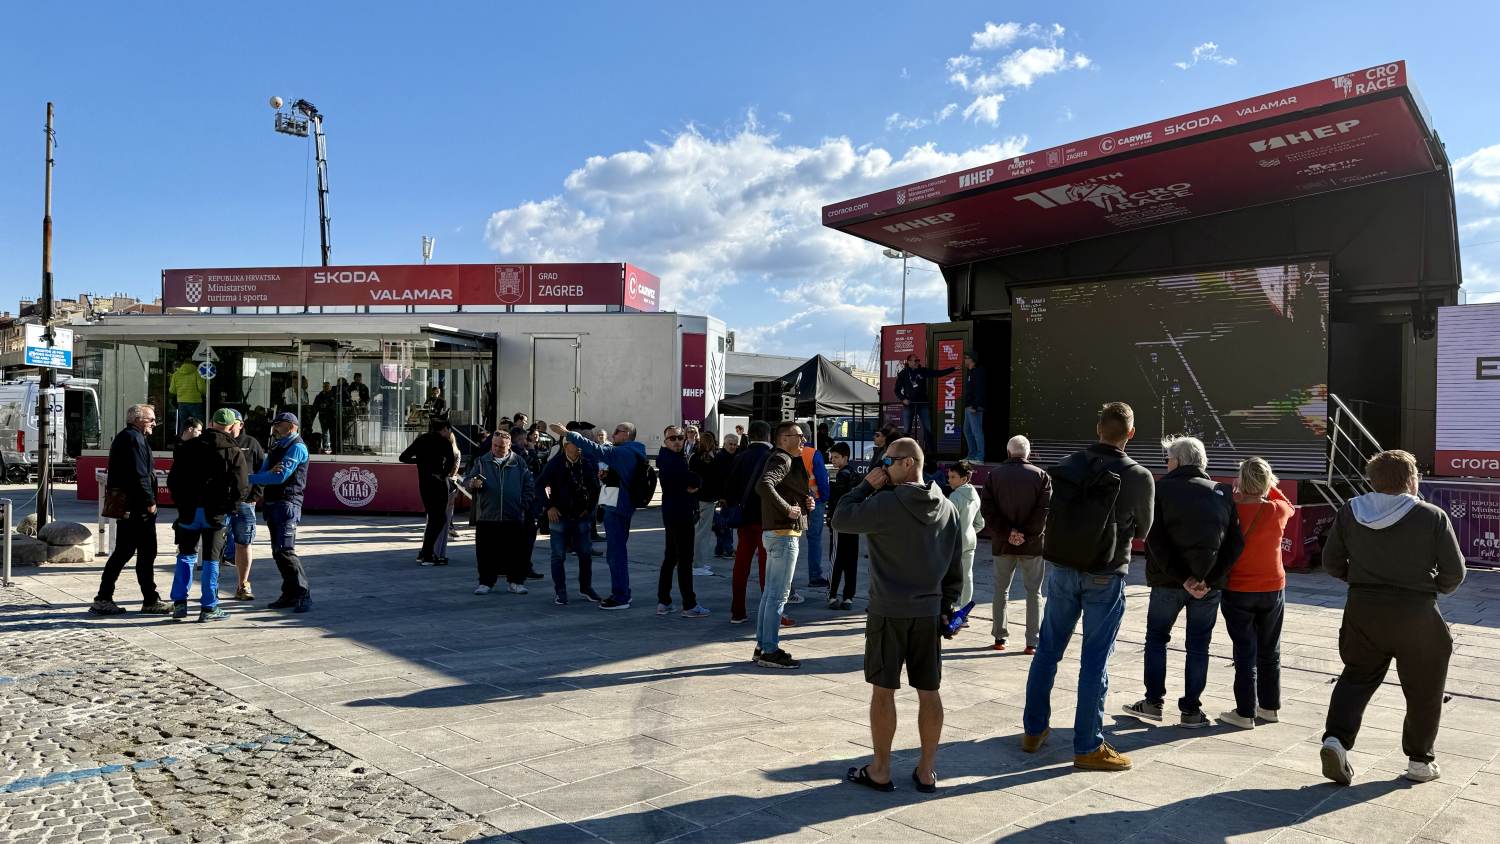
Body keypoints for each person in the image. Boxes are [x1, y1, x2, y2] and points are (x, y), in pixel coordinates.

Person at [1319, 450, 1466, 786]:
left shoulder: (1350, 511)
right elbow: (1454, 573)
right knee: (1425, 687)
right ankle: (1419, 760)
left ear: (1372, 480)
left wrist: (1358, 580)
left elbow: (1331, 561)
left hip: (1363, 609)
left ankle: (1336, 740)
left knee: (1356, 676)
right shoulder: (1431, 515)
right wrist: (1432, 587)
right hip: (1416, 613)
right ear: (1411, 479)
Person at [1021, 402, 1154, 771]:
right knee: (1094, 662)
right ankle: (1088, 746)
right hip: (1104, 574)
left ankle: (1033, 731)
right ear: (1131, 433)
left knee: (1047, 651)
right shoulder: (1138, 475)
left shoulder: (1068, 464)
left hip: (1062, 568)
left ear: (1098, 429)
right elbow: (1145, 530)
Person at [834, 437, 964, 794]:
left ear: (909, 463)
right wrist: (947, 608)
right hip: (928, 613)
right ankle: (926, 771)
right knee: (929, 691)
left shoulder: (885, 503)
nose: (882, 467)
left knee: (883, 692)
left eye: (888, 461)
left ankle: (880, 770)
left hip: (888, 611)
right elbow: (955, 567)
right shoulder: (947, 507)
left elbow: (840, 518)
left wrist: (864, 486)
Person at [1124, 436, 1244, 729]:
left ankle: (1153, 702)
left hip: (1168, 581)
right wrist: (1207, 580)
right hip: (1208, 586)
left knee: (1156, 638)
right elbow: (1235, 544)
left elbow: (1155, 540)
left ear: (1177, 461)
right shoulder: (1221, 492)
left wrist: (1184, 578)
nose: (1166, 463)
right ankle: (1191, 710)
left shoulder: (1160, 489)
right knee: (1199, 645)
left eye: (1168, 458)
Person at [1217, 456, 1295, 730]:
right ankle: (1269, 707)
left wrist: (1240, 490)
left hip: (1238, 588)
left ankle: (1244, 712)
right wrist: (1267, 486)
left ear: (1240, 480)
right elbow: (1288, 505)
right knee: (1270, 650)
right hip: (1272, 587)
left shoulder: (1231, 508)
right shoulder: (1278, 510)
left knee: (1244, 652)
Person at [552, 420, 648, 610]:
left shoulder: (624, 452)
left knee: (616, 553)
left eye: (617, 431)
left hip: (617, 508)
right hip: (621, 505)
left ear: (627, 434)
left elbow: (596, 449)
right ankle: (622, 592)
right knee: (616, 552)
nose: (613, 434)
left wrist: (568, 434)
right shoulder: (633, 451)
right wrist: (609, 476)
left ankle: (621, 597)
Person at [166, 409, 250, 622]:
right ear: (231, 426)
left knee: (185, 554)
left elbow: (173, 481)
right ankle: (209, 606)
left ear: (211, 423)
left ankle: (179, 603)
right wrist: (231, 507)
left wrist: (181, 503)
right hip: (216, 512)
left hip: (189, 510)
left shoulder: (189, 446)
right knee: (212, 559)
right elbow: (241, 486)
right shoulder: (233, 450)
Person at [91, 404, 172, 616]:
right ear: (137, 420)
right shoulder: (133, 439)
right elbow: (139, 475)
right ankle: (146, 600)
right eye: (151, 419)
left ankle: (108, 597)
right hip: (137, 507)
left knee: (126, 552)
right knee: (143, 553)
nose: (154, 423)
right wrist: (150, 501)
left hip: (131, 506)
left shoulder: (130, 437)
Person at [980, 435, 1051, 654]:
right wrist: (1025, 534)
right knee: (1034, 592)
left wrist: (1008, 533)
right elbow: (1044, 512)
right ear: (1027, 453)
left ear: (1008, 452)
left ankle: (1000, 638)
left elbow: (988, 510)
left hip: (1003, 544)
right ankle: (1032, 642)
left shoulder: (994, 475)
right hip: (1032, 544)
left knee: (1001, 590)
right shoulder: (1041, 476)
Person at [752, 421, 814, 669]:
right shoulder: (782, 458)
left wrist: (804, 503)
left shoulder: (786, 459)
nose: (803, 440)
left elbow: (783, 489)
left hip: (777, 533)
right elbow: (764, 485)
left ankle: (762, 647)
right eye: (798, 436)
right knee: (778, 596)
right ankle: (769, 650)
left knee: (770, 594)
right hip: (783, 535)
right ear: (783, 439)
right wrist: (788, 508)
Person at [250, 412, 313, 613]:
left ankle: (303, 594)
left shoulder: (297, 447)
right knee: (278, 552)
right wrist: (263, 476)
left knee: (285, 550)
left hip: (287, 503)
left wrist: (250, 479)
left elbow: (279, 476)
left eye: (279, 425)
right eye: (275, 425)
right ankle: (290, 593)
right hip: (272, 503)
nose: (275, 428)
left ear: (292, 426)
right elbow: (265, 473)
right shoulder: (277, 446)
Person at [464, 429, 537, 595]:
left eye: (501, 446)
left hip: (514, 515)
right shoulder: (482, 461)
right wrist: (472, 483)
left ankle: (516, 582)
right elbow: (467, 480)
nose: (497, 449)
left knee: (516, 552)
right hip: (487, 515)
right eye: (495, 445)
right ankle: (485, 582)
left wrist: (523, 505)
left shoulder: (519, 462)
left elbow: (529, 485)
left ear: (509, 445)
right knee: (486, 552)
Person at [537, 432, 601, 604]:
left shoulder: (586, 463)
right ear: (566, 446)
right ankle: (560, 591)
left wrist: (589, 509)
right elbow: (539, 485)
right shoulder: (555, 464)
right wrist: (549, 506)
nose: (580, 448)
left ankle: (586, 588)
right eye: (576, 444)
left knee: (585, 554)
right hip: (559, 516)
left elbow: (595, 488)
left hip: (581, 517)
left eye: (581, 445)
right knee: (558, 556)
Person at [657, 426, 710, 618]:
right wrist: (694, 481)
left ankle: (664, 601)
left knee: (671, 557)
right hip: (680, 513)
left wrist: (692, 482)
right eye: (672, 438)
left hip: (674, 512)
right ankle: (689, 604)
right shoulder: (672, 460)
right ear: (665, 441)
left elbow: (690, 481)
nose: (677, 441)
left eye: (680, 437)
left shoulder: (672, 457)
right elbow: (691, 479)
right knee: (685, 559)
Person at [725, 421, 773, 624]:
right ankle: (768, 612)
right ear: (768, 435)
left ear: (750, 436)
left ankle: (737, 610)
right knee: (766, 566)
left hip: (744, 518)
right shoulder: (772, 457)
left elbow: (729, 488)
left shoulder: (740, 457)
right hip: (766, 519)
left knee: (741, 564)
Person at [400, 419, 460, 566]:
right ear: (445, 429)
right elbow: (450, 462)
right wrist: (442, 474)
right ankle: (427, 554)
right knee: (439, 519)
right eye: (449, 430)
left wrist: (421, 461)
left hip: (424, 484)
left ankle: (424, 553)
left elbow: (403, 457)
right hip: (438, 484)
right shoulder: (444, 442)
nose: (450, 433)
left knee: (433, 518)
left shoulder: (422, 439)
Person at [220, 409, 266, 601]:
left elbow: (262, 471)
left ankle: (243, 585)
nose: (230, 427)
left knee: (244, 543)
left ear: (241, 424)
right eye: (227, 423)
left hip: (245, 504)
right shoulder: (217, 441)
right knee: (215, 544)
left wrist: (254, 496)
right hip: (221, 503)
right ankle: (211, 588)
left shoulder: (251, 443)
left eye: (234, 423)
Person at [946, 460, 985, 613]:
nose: (949, 480)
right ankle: (964, 611)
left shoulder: (955, 497)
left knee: (948, 577)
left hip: (953, 543)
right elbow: (980, 523)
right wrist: (968, 531)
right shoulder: (975, 495)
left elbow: (947, 523)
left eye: (952, 477)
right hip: (969, 541)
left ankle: (947, 609)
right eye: (949, 476)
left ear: (964, 479)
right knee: (967, 576)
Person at [895, 355, 956, 451]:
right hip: (909, 404)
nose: (917, 362)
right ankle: (905, 453)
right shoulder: (903, 373)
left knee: (928, 429)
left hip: (922, 403)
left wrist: (953, 369)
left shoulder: (922, 371)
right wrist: (903, 399)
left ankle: (931, 453)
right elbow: (897, 390)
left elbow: (938, 373)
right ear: (909, 362)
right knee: (906, 430)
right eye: (915, 360)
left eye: (918, 360)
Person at [825, 442, 860, 610]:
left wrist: (830, 517)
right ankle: (848, 597)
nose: (833, 460)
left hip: (840, 522)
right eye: (832, 457)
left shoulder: (840, 475)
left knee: (836, 559)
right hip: (854, 523)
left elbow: (836, 500)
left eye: (836, 457)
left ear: (845, 457)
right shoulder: (855, 474)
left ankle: (832, 595)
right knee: (851, 561)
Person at [800, 427, 832, 589]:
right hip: (815, 500)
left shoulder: (787, 453)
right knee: (814, 539)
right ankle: (814, 576)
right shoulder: (813, 454)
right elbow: (822, 478)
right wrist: (824, 498)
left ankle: (786, 581)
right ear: (808, 436)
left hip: (792, 501)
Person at [688, 430, 721, 577]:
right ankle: (697, 564)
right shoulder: (713, 459)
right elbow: (717, 478)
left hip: (696, 497)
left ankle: (694, 562)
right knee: (702, 533)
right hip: (707, 498)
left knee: (697, 530)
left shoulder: (694, 457)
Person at [714, 434, 740, 558]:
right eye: (730, 444)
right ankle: (728, 549)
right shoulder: (719, 457)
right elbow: (717, 479)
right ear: (724, 444)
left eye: (735, 444)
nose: (732, 447)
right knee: (725, 524)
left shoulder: (737, 456)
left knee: (724, 524)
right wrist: (720, 496)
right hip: (724, 496)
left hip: (733, 495)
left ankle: (720, 549)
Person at [168, 358, 206, 434]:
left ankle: (183, 439)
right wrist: (205, 394)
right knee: (198, 423)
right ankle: (198, 438)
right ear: (193, 364)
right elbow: (201, 388)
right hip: (195, 401)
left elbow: (172, 390)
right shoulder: (197, 373)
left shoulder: (176, 374)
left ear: (183, 364)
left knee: (184, 424)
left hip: (181, 402)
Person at [962, 352, 987, 462]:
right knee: (967, 430)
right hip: (968, 406)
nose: (964, 360)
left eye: (966, 358)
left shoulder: (978, 371)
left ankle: (980, 457)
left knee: (977, 432)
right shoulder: (970, 372)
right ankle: (971, 455)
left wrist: (975, 406)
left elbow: (980, 390)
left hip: (974, 407)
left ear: (972, 359)